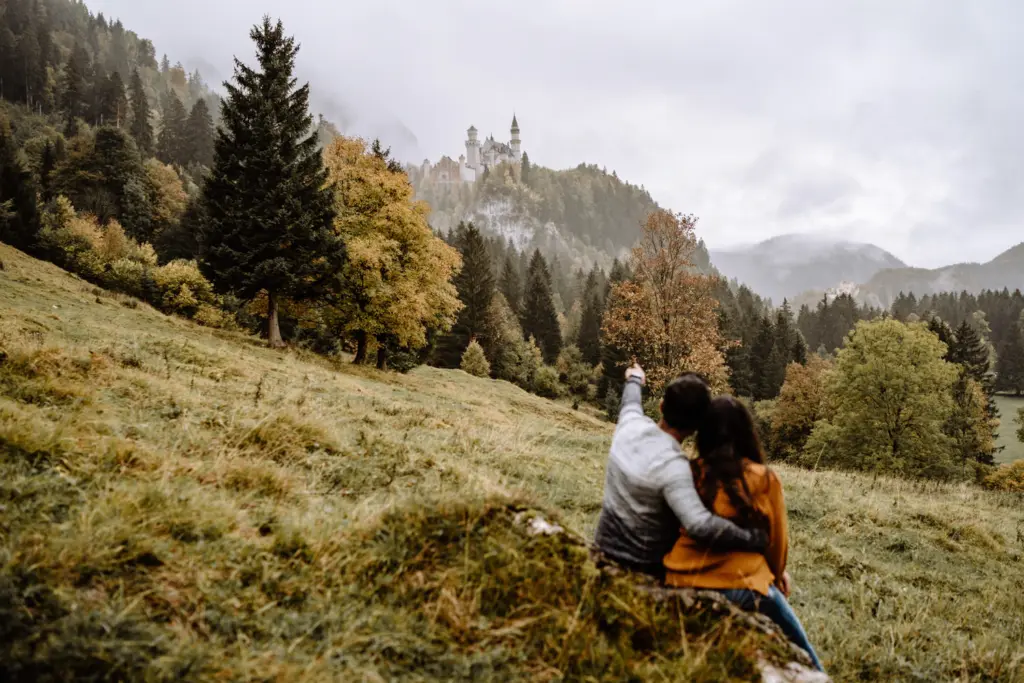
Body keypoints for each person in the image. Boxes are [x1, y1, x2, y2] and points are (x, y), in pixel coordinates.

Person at [662, 395, 824, 672]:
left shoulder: (689, 472)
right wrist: (775, 575)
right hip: (744, 586)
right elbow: (777, 544)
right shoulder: (763, 478)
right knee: (802, 648)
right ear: (746, 433)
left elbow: (669, 528)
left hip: (681, 578)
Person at [593, 363, 767, 580]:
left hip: (601, 552)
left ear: (661, 405)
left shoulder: (629, 426)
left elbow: (630, 401)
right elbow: (699, 524)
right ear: (697, 427)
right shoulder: (674, 466)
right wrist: (752, 538)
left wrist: (635, 378)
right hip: (642, 571)